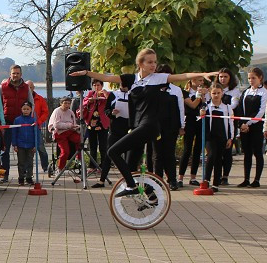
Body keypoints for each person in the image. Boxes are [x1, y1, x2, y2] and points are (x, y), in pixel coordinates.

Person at [73, 49, 217, 195]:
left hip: (150, 125)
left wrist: (202, 74)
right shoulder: (131, 79)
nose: (153, 65)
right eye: (150, 62)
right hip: (137, 126)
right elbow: (106, 78)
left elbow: (182, 76)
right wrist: (86, 73)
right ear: (141, 64)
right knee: (129, 165)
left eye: (155, 62)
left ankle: (132, 187)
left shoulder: (158, 78)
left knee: (113, 151)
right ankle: (151, 197)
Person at [154, 64, 186, 191]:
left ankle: (172, 179)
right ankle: (157, 180)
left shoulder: (176, 90)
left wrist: (182, 125)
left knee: (169, 154)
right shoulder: (153, 89)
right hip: (156, 126)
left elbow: (181, 108)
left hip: (171, 126)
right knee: (157, 155)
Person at [0, 66, 32, 183]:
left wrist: (30, 120)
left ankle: (25, 176)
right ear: (10, 74)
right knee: (5, 150)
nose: (15, 75)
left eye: (17, 73)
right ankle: (5, 174)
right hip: (7, 122)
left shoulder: (26, 87)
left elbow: (31, 103)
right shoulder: (2, 87)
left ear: (21, 74)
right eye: (13, 73)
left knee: (24, 150)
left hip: (22, 123)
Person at [237, 67, 267, 188]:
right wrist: (241, 124)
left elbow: (261, 112)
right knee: (247, 153)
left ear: (260, 78)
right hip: (244, 126)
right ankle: (246, 178)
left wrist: (249, 123)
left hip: (256, 126)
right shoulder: (246, 92)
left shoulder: (264, 93)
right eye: (249, 78)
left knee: (257, 153)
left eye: (253, 78)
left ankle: (256, 179)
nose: (251, 80)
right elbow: (240, 107)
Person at [200, 84, 234, 191]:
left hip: (222, 136)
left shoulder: (227, 108)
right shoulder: (206, 106)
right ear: (210, 93)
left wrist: (230, 137)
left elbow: (230, 123)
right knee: (211, 156)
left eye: (218, 93)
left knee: (219, 159)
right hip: (210, 136)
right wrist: (202, 114)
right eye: (214, 93)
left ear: (222, 93)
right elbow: (201, 118)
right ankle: (206, 179)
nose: (216, 95)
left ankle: (216, 183)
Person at [81, 80, 114, 187]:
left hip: (102, 124)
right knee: (92, 146)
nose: (96, 87)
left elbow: (111, 101)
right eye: (94, 85)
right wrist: (90, 101)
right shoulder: (90, 94)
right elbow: (83, 104)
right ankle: (92, 165)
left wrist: (104, 94)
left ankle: (103, 166)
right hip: (91, 124)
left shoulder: (105, 94)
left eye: (98, 85)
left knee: (103, 146)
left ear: (102, 85)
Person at [213, 68, 242, 185]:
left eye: (225, 76)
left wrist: (226, 108)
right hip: (216, 123)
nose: (223, 79)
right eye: (221, 76)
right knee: (216, 151)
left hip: (229, 121)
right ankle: (217, 175)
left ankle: (225, 176)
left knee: (227, 150)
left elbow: (235, 104)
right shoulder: (215, 89)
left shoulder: (234, 91)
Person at [179, 77, 207, 187]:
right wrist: (199, 95)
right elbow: (193, 105)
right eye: (199, 80)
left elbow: (204, 105)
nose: (201, 83)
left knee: (197, 149)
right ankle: (180, 177)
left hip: (200, 122)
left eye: (202, 81)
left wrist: (204, 97)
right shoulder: (185, 93)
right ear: (192, 81)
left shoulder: (203, 93)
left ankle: (193, 177)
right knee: (187, 149)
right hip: (189, 122)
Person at [48, 96, 82, 173]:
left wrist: (75, 127)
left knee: (79, 140)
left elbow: (73, 123)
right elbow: (56, 125)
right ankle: (60, 167)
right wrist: (69, 125)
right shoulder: (57, 111)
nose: (67, 105)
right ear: (61, 104)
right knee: (65, 151)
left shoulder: (70, 112)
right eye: (65, 103)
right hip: (59, 132)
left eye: (68, 103)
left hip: (69, 131)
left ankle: (78, 158)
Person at [12, 101, 40, 186]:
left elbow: (37, 133)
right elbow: (14, 132)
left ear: (31, 110)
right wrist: (14, 144)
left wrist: (36, 145)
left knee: (30, 162)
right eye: (24, 109)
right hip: (20, 144)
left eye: (27, 109)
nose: (26, 111)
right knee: (21, 162)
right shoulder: (17, 120)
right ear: (21, 109)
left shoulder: (33, 120)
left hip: (31, 145)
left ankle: (29, 177)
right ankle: (21, 178)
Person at [27, 82, 51, 176]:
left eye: (31, 87)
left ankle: (45, 167)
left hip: (36, 127)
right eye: (28, 87)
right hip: (25, 128)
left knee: (41, 148)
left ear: (34, 87)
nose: (29, 89)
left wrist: (39, 122)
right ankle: (27, 170)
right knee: (27, 150)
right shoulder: (24, 99)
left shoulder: (40, 99)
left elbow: (45, 112)